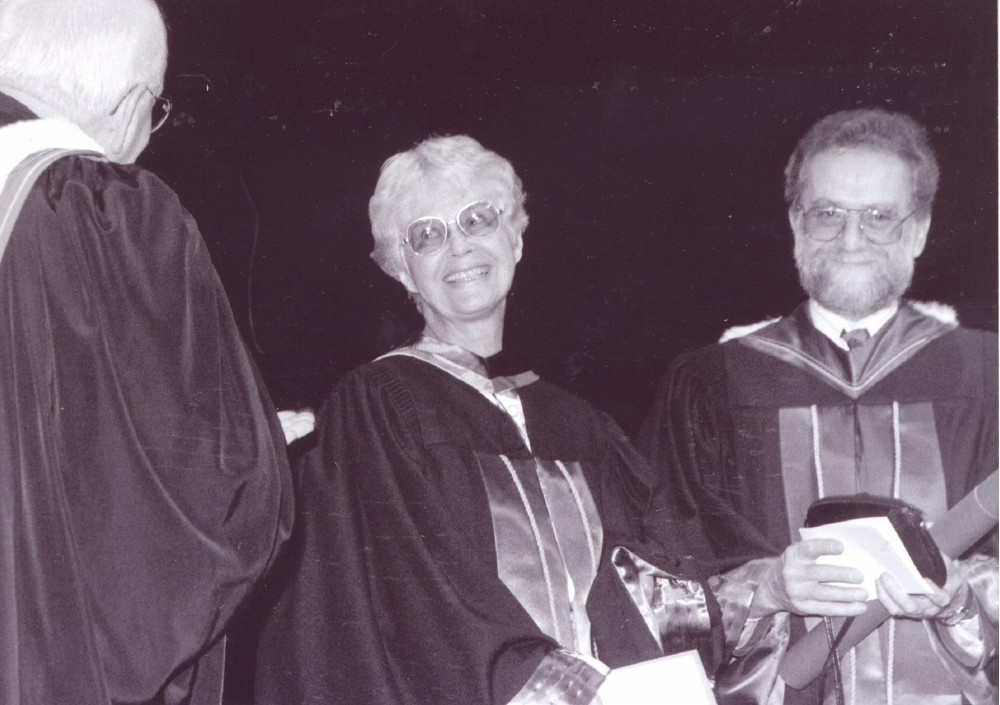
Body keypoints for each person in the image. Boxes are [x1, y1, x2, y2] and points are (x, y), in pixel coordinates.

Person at [255, 134, 821, 705]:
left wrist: (765, 589)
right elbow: (423, 603)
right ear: (402, 268)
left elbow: (640, 591)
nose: (459, 248)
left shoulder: (577, 425)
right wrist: (570, 689)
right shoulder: (379, 404)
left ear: (515, 239)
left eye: (478, 219)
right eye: (427, 234)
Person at [640, 107, 998, 704]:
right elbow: (655, 580)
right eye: (827, 214)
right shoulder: (712, 384)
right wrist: (766, 587)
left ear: (919, 230)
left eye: (880, 217)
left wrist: (964, 597)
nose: (851, 239)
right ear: (796, 224)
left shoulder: (988, 376)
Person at [0, 1, 297, 703]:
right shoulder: (100, 205)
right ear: (133, 101)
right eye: (158, 107)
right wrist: (261, 452)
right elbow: (194, 512)